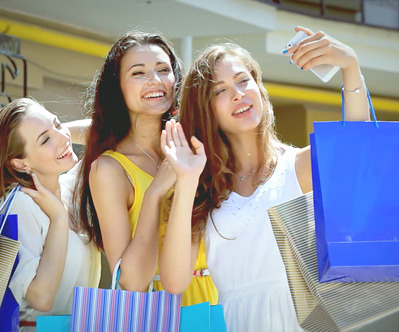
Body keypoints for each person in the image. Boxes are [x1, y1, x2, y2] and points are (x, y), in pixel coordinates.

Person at [174, 27, 370, 331]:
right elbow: (175, 280)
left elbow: (357, 149)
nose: (237, 93)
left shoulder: (298, 164)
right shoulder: (201, 184)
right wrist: (185, 180)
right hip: (234, 321)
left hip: (301, 321)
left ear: (259, 88)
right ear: (206, 110)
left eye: (243, 80)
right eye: (220, 90)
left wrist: (350, 66)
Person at [73, 31, 218, 306]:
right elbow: (132, 282)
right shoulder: (109, 169)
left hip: (220, 304)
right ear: (118, 87)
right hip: (159, 311)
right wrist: (154, 193)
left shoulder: (198, 146)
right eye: (138, 73)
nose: (155, 80)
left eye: (163, 70)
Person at [0, 98, 100, 329]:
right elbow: (41, 297)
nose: (62, 138)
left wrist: (53, 133)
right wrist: (59, 219)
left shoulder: (69, 187)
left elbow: (109, 132)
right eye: (45, 139)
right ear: (20, 164)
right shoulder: (20, 204)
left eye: (58, 125)